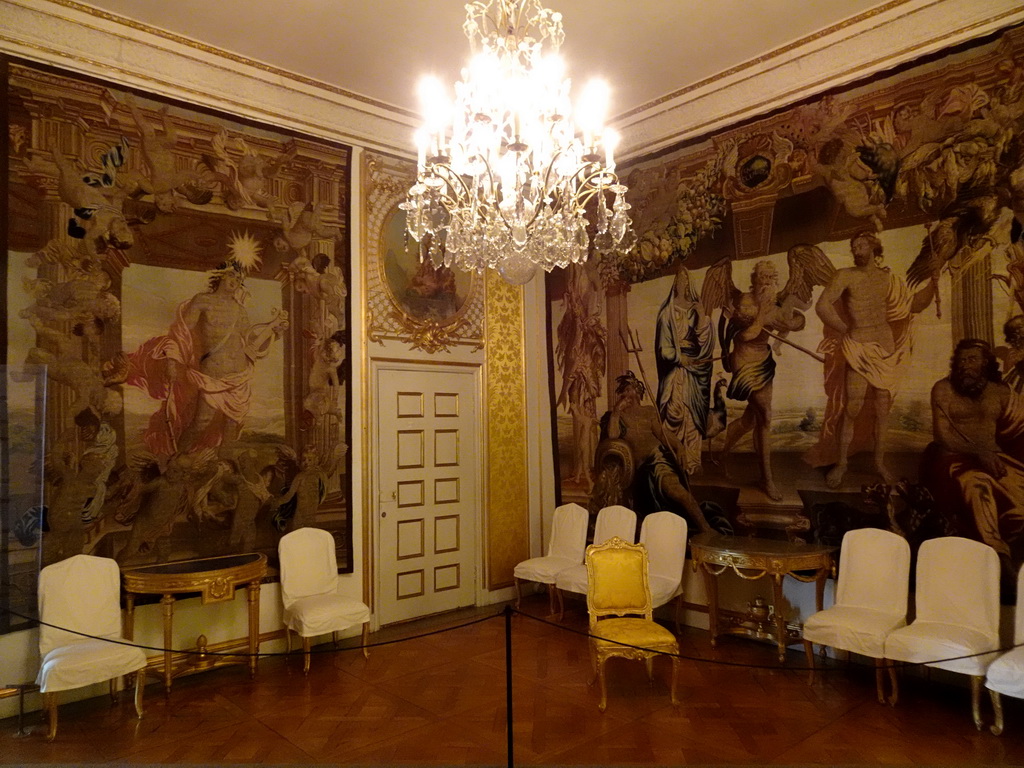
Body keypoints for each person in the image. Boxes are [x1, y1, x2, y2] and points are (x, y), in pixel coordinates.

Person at [127, 236, 289, 455]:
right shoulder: (203, 301)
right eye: (232, 275)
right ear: (221, 275)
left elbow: (251, 342)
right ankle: (178, 464)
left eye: (239, 278)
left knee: (231, 425)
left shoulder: (240, 310)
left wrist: (275, 334)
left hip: (239, 376)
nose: (235, 281)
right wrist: (173, 361)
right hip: (212, 374)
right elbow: (181, 332)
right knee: (201, 422)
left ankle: (223, 468)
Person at [807, 230, 937, 488]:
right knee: (852, 408)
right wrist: (845, 329)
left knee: (881, 411)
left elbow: (915, 306)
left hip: (886, 349)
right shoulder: (844, 275)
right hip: (859, 347)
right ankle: (842, 463)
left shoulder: (889, 279)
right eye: (854, 246)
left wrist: (933, 283)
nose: (857, 249)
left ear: (874, 248)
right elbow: (822, 306)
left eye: (862, 245)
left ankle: (879, 463)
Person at [920, 339, 1024, 580]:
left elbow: (1019, 428)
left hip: (995, 459)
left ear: (986, 363)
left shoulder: (1001, 392)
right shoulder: (943, 389)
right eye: (962, 360)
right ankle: (998, 555)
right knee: (978, 486)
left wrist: (992, 454)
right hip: (953, 461)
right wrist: (978, 452)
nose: (966, 365)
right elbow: (942, 436)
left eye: (972, 359)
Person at [717, 260, 803, 501]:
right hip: (744, 361)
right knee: (765, 414)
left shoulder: (772, 303)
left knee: (750, 418)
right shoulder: (744, 301)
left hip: (764, 361)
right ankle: (767, 479)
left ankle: (723, 454)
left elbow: (794, 322)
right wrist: (764, 316)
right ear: (754, 281)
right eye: (762, 278)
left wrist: (793, 320)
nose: (766, 282)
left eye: (771, 278)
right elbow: (747, 334)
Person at [654, 265, 714, 476]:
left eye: (687, 279)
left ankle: (692, 463)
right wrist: (680, 358)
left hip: (695, 372)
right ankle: (671, 461)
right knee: (674, 412)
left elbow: (706, 342)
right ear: (675, 282)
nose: (684, 282)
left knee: (693, 416)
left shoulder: (696, 308)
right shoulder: (667, 313)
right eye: (680, 279)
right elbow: (663, 348)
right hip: (676, 372)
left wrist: (703, 319)